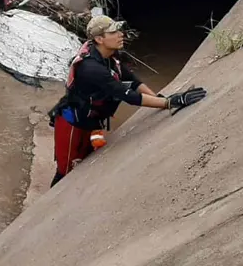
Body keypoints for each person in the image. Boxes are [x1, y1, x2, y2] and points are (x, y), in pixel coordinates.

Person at [48, 15, 207, 187]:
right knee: (67, 171)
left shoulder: (109, 57)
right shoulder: (91, 68)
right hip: (73, 124)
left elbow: (132, 81)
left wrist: (158, 99)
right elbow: (129, 96)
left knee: (90, 156)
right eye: (114, 32)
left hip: (93, 120)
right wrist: (170, 103)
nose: (120, 34)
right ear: (99, 39)